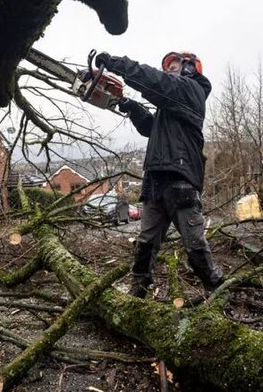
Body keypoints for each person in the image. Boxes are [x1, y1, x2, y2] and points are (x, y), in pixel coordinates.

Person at [94, 51, 224, 298]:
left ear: (189, 68)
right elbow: (150, 129)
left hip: (179, 178)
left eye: (175, 66)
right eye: (168, 67)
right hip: (155, 182)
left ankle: (218, 290)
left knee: (194, 244)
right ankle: (138, 293)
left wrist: (116, 64)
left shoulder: (191, 91)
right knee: (146, 243)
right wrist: (131, 107)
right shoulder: (170, 108)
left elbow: (156, 81)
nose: (170, 71)